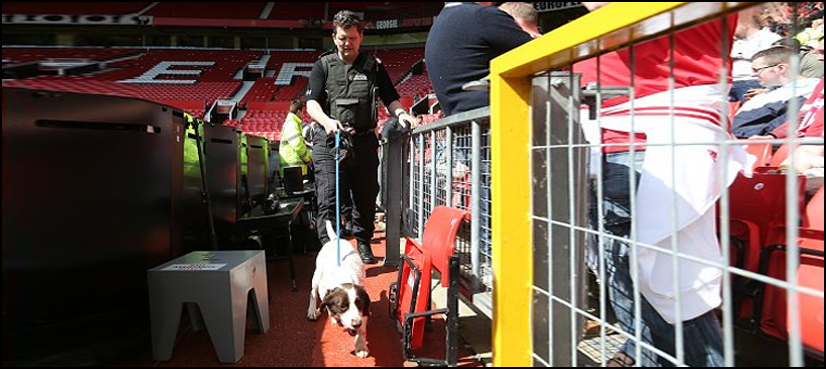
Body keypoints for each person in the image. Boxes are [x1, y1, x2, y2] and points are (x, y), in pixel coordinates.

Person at [575, 3, 749, 367]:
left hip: (642, 138)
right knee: (643, 283)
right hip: (633, 135)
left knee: (665, 288)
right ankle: (640, 351)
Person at [305, 10, 416, 264]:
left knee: (366, 198)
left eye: (352, 38)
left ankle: (363, 242)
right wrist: (327, 122)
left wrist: (401, 114)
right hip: (330, 142)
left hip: (364, 142)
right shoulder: (322, 65)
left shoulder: (374, 66)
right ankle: (331, 255)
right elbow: (311, 103)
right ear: (334, 37)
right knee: (329, 200)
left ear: (361, 37)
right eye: (343, 38)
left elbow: (390, 98)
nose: (348, 43)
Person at [425, 2, 532, 116]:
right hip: (494, 119)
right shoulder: (481, 16)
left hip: (463, 123)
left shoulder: (438, 25)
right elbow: (536, 54)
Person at [732, 45, 821, 138]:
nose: (753, 75)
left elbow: (784, 125)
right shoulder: (773, 92)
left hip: (752, 141)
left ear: (781, 68)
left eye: (757, 70)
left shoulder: (808, 91)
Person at [280, 98, 312, 177]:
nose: (303, 115)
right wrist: (308, 158)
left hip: (292, 167)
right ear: (298, 112)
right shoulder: (292, 124)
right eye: (302, 112)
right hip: (294, 168)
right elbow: (297, 145)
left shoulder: (291, 123)